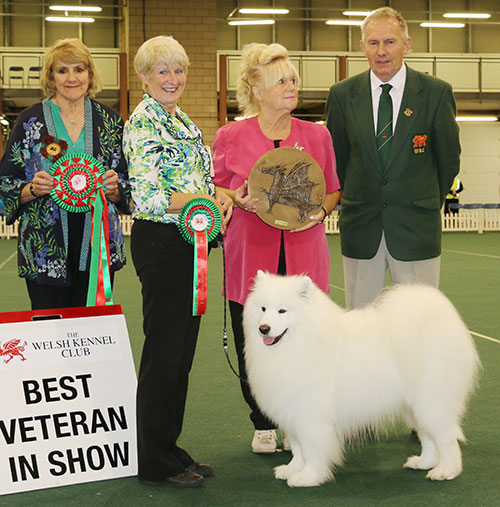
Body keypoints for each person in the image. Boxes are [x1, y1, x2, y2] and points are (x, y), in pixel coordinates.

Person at [212, 42, 341, 454]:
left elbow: (333, 189)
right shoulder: (229, 135)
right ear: (257, 90)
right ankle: (263, 421)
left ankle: (300, 420)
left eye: (293, 80)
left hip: (305, 254)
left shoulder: (317, 135)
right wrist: (234, 196)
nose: (291, 87)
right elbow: (213, 188)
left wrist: (321, 211)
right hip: (250, 253)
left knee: (308, 341)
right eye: (281, 81)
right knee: (256, 340)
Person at [123, 35, 232, 488]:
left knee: (181, 354)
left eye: (179, 70)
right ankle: (153, 459)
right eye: (162, 71)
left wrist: (217, 195)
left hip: (191, 242)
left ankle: (169, 447)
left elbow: (198, 178)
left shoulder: (181, 119)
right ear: (144, 78)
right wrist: (208, 197)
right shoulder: (143, 123)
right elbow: (147, 194)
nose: (173, 79)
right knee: (164, 355)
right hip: (163, 243)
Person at [326, 7, 460, 310]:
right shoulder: (342, 95)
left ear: (407, 44)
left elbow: (449, 160)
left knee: (420, 326)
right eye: (373, 43)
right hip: (362, 228)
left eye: (390, 42)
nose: (382, 51)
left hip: (416, 229)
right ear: (362, 47)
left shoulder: (437, 93)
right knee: (359, 326)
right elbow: (337, 161)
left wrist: (421, 200)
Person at [0, 38, 129, 310]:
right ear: (51, 77)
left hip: (99, 246)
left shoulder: (111, 121)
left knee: (94, 333)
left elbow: (127, 178)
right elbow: (5, 184)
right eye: (62, 70)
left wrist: (116, 189)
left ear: (90, 74)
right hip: (44, 247)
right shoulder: (29, 120)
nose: (72, 78)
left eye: (79, 69)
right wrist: (32, 189)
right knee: (50, 332)